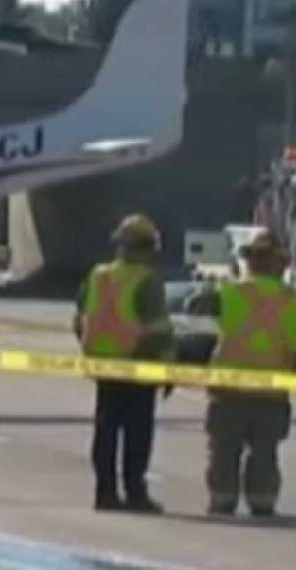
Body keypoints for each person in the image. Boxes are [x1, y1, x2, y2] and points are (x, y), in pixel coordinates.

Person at [202, 229, 296, 516]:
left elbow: (203, 333)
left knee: (224, 449)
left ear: (249, 261)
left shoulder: (227, 292)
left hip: (228, 386)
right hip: (271, 390)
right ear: (282, 264)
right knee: (265, 451)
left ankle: (222, 499)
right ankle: (262, 501)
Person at [75, 213, 174, 513]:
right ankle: (135, 492)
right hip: (138, 362)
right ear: (148, 247)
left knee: (106, 429)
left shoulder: (98, 275)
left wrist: (92, 347)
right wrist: (168, 368)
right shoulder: (147, 280)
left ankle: (104, 492)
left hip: (104, 364)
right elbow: (159, 329)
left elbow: (79, 317)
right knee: (137, 432)